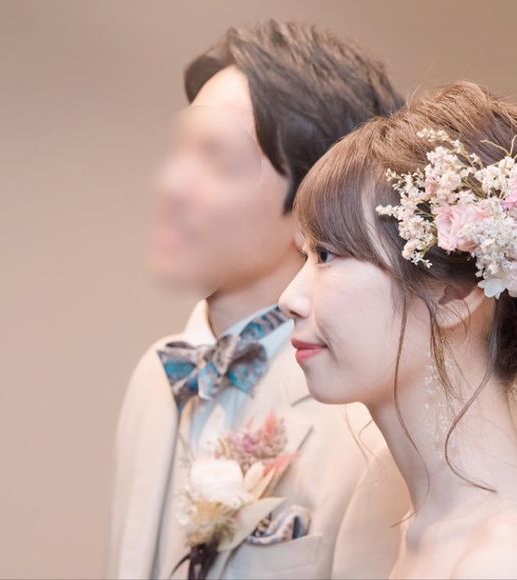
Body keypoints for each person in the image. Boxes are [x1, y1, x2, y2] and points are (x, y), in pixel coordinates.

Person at [107, 19, 409, 580]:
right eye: (180, 149)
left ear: (316, 207)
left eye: (218, 159)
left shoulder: (369, 433)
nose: (171, 185)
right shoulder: (156, 377)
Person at [279, 80, 517, 579]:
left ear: (452, 295)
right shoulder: (382, 518)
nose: (289, 300)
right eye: (306, 255)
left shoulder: (497, 559)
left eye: (327, 255)